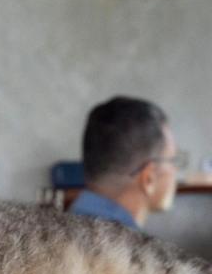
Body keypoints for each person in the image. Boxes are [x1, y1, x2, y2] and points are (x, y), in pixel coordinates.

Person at [70, 96, 185, 230]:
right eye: (172, 160)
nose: (176, 171)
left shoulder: (63, 231)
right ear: (148, 179)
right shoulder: (128, 248)